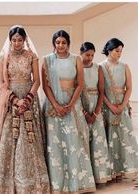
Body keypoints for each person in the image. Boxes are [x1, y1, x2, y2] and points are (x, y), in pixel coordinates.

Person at [0, 25, 50, 193]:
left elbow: (36, 80)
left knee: (29, 137)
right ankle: (6, 184)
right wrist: (15, 100)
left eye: (20, 40)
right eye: (14, 40)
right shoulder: (4, 57)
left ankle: (32, 183)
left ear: (24, 41)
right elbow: (1, 83)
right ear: (10, 40)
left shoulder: (32, 56)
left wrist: (27, 99)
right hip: (11, 99)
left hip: (29, 99)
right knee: (10, 137)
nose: (17, 43)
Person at [42, 30, 96, 193]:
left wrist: (71, 105)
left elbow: (80, 83)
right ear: (54, 43)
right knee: (55, 144)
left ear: (68, 44)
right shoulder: (47, 60)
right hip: (53, 107)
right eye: (57, 42)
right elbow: (45, 86)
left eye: (63, 42)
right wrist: (57, 105)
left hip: (73, 105)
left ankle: (76, 183)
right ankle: (57, 184)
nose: (60, 45)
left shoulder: (76, 59)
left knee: (74, 142)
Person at [99, 38, 138, 179]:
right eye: (117, 50)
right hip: (107, 107)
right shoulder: (100, 67)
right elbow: (100, 91)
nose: (119, 53)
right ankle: (112, 171)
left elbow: (129, 88)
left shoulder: (124, 66)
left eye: (121, 51)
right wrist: (110, 106)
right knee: (110, 137)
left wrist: (122, 105)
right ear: (109, 50)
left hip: (122, 106)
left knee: (125, 137)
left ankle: (125, 168)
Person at [80, 42, 111, 184]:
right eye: (87, 54)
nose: (90, 57)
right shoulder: (77, 67)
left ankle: (99, 176)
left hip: (96, 105)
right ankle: (86, 178)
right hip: (80, 105)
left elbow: (101, 91)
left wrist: (96, 113)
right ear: (81, 53)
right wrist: (85, 113)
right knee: (83, 140)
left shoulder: (98, 68)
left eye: (92, 55)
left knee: (97, 141)